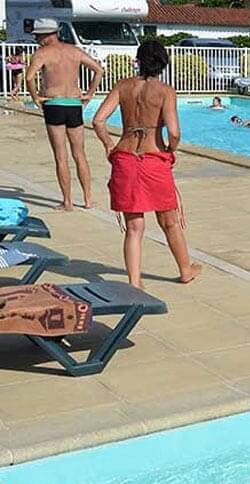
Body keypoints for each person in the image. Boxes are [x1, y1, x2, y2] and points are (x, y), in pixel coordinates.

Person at [92, 40, 202, 289]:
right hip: (153, 158)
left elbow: (98, 121)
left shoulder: (123, 86)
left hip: (125, 156)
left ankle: (134, 281)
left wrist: (110, 146)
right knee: (169, 220)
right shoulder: (165, 91)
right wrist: (171, 151)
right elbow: (174, 132)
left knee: (134, 225)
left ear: (139, 60)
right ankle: (185, 270)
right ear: (163, 63)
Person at [25, 18, 104, 210]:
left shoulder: (42, 53)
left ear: (45, 35)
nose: (37, 39)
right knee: (80, 154)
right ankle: (87, 199)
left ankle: (67, 202)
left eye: (37, 36)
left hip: (54, 104)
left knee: (61, 156)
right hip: (74, 104)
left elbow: (29, 77)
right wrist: (89, 94)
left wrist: (36, 98)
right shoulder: (74, 51)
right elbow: (99, 70)